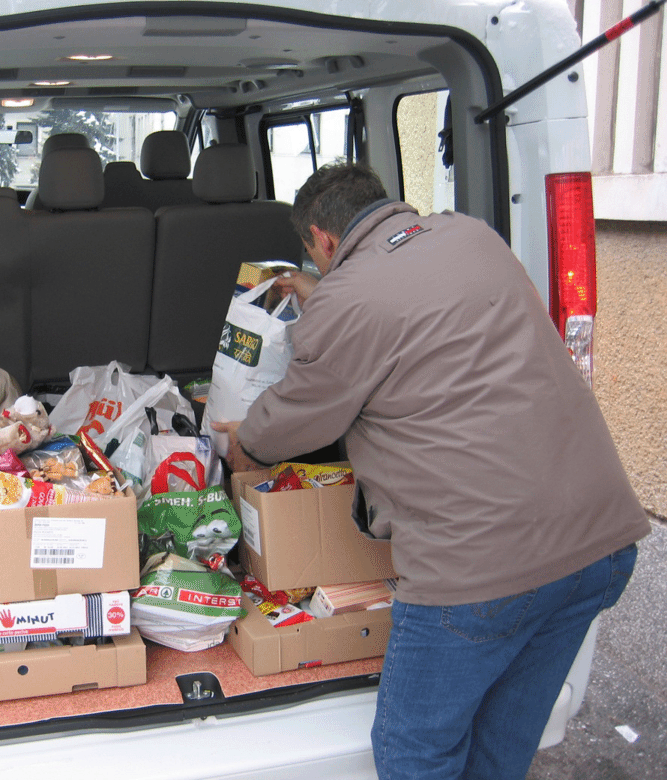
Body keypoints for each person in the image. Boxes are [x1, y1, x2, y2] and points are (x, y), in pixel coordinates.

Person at [211, 161, 650, 780]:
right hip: (598, 547)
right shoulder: (472, 236)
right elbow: (412, 308)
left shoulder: (345, 300)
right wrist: (325, 295)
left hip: (479, 573)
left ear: (323, 240)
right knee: (499, 751)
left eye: (313, 255)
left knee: (413, 753)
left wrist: (238, 443)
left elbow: (282, 429)